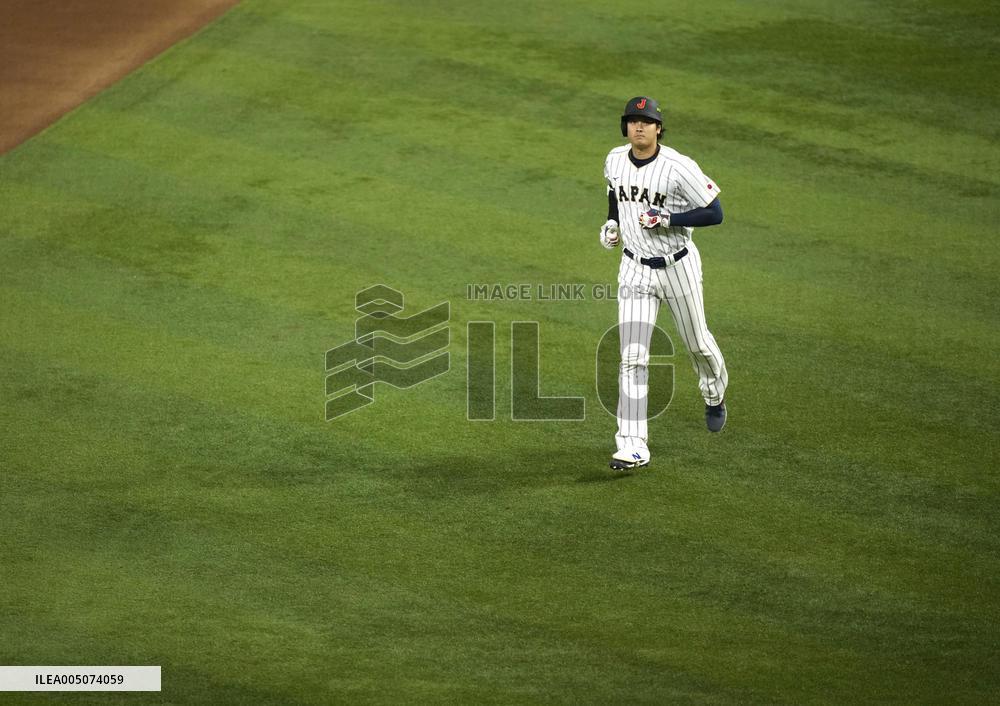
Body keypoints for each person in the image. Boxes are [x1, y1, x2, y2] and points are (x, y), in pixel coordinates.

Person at [600, 96, 729, 471]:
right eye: (632, 121)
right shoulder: (613, 159)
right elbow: (614, 194)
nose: (638, 127)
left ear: (659, 128)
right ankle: (632, 444)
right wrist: (612, 225)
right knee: (632, 357)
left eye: (646, 121)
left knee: (698, 344)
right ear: (625, 127)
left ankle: (714, 394)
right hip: (634, 270)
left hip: (678, 267)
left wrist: (668, 218)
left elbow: (715, 212)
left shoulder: (678, 167)